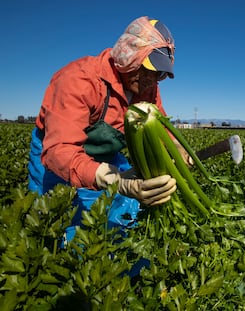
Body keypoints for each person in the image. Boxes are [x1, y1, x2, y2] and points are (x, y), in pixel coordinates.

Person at [28, 16, 187, 248]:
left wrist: (176, 148)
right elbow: (60, 151)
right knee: (59, 226)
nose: (152, 81)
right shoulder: (79, 80)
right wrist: (116, 180)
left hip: (108, 155)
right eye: (148, 70)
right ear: (128, 55)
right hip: (56, 157)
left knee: (118, 219)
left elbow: (161, 128)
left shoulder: (148, 88)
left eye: (159, 75)